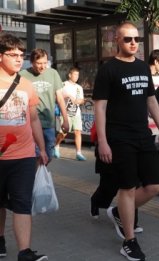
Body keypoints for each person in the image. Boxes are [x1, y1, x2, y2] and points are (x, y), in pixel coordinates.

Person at [92, 21, 159, 261]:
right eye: (128, 39)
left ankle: (118, 211)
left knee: (155, 185)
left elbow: (152, 101)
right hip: (118, 137)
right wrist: (102, 141)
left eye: (136, 39)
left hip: (143, 135)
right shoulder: (108, 70)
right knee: (126, 187)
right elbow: (100, 108)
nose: (133, 43)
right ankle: (129, 241)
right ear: (117, 40)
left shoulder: (143, 67)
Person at [0, 33, 48, 261]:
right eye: (13, 55)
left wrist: (42, 148)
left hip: (24, 156)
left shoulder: (27, 85)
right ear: (1, 56)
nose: (19, 59)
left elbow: (34, 119)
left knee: (22, 203)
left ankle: (24, 252)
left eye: (22, 55)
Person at [89, 123, 143, 234]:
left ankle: (130, 222)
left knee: (132, 186)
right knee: (108, 187)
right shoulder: (106, 108)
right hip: (110, 146)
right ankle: (96, 201)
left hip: (131, 147)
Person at [19, 48, 69, 163]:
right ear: (32, 62)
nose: (42, 66)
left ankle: (38, 177)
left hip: (49, 122)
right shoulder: (23, 75)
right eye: (39, 63)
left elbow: (60, 98)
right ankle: (34, 179)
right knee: (36, 155)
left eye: (45, 63)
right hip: (30, 123)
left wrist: (65, 119)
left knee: (48, 156)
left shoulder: (53, 73)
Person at [54, 67, 86, 161]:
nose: (76, 77)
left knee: (78, 131)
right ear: (70, 75)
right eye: (75, 74)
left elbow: (82, 100)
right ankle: (56, 146)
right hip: (65, 112)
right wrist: (67, 96)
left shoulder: (79, 87)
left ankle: (78, 153)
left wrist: (79, 101)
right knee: (64, 133)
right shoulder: (63, 84)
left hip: (76, 112)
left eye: (78, 75)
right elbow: (56, 98)